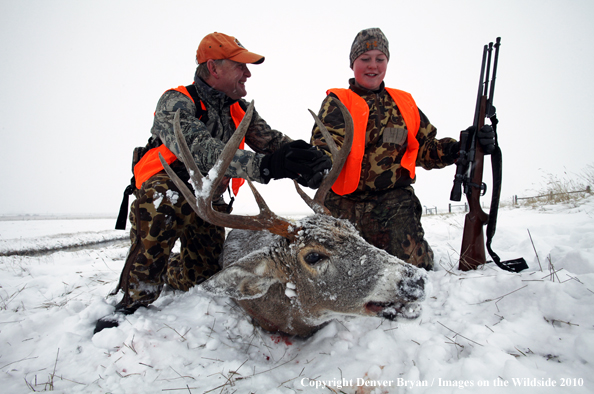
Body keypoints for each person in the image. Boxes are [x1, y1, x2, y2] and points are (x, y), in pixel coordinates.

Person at [95, 32, 330, 333]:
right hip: (170, 192)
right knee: (162, 204)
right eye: (240, 66)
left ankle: (167, 269)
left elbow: (272, 143)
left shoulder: (241, 109)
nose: (247, 73)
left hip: (209, 203)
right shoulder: (175, 101)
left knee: (202, 278)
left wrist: (307, 160)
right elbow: (202, 150)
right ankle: (133, 300)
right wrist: (268, 167)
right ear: (214, 68)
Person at [310, 28, 494, 271]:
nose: (372, 66)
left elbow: (426, 149)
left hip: (392, 202)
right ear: (353, 63)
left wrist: (462, 147)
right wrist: (313, 167)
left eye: (380, 59)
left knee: (411, 269)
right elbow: (324, 149)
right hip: (343, 202)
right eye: (365, 59)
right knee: (333, 271)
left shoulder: (404, 104)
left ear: (387, 62)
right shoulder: (337, 102)